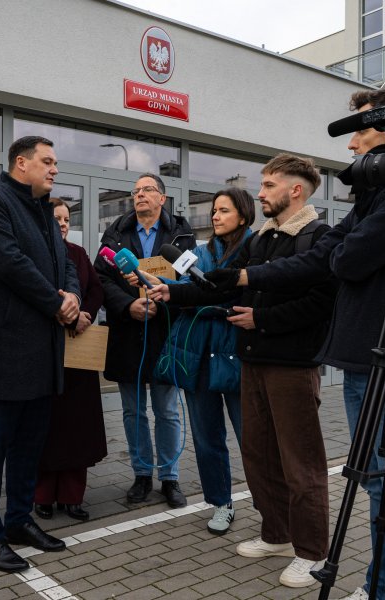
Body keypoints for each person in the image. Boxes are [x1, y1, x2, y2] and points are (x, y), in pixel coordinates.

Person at [188, 89, 385, 600]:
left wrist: (330, 261)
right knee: (381, 486)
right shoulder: (376, 197)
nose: (352, 142)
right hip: (364, 356)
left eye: (361, 129)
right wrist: (242, 275)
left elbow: (344, 262)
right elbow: (323, 259)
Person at [148, 155, 337, 587]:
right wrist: (171, 293)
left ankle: (312, 552)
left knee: (300, 462)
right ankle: (277, 534)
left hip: (292, 365)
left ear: (296, 190)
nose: (261, 192)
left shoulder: (317, 236)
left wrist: (263, 320)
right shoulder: (262, 239)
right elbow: (217, 283)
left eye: (269, 185)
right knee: (259, 454)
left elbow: (323, 304)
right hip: (252, 360)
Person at [0, 136, 81, 573]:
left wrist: (70, 293)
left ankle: (17, 522)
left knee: (29, 449)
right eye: (47, 161)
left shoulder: (45, 210)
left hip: (41, 356)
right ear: (20, 162)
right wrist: (56, 301)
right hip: (0, 357)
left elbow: (64, 261)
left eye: (55, 163)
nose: (54, 170)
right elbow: (10, 263)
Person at [148, 187, 254, 534]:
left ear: (243, 214)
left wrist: (193, 298)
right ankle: (221, 503)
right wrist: (163, 287)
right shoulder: (196, 253)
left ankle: (271, 503)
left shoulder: (257, 248)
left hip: (238, 356)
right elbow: (188, 294)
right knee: (207, 438)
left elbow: (235, 295)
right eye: (214, 211)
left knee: (251, 438)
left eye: (224, 211)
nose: (215, 216)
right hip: (196, 356)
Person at [94, 173, 196, 508]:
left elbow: (192, 281)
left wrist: (169, 297)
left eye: (147, 190)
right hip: (129, 333)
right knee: (133, 411)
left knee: (167, 410)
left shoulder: (181, 235)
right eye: (136, 191)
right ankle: (141, 475)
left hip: (166, 334)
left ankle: (169, 478)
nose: (139, 195)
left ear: (162, 198)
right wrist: (128, 305)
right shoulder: (115, 234)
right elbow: (100, 279)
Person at [33, 198, 107, 522]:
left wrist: (84, 314)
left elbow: (96, 289)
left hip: (78, 356)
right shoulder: (34, 251)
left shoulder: (78, 254)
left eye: (66, 219)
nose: (63, 224)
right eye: (57, 218)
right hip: (45, 354)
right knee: (45, 429)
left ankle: (73, 497)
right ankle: (43, 497)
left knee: (78, 429)